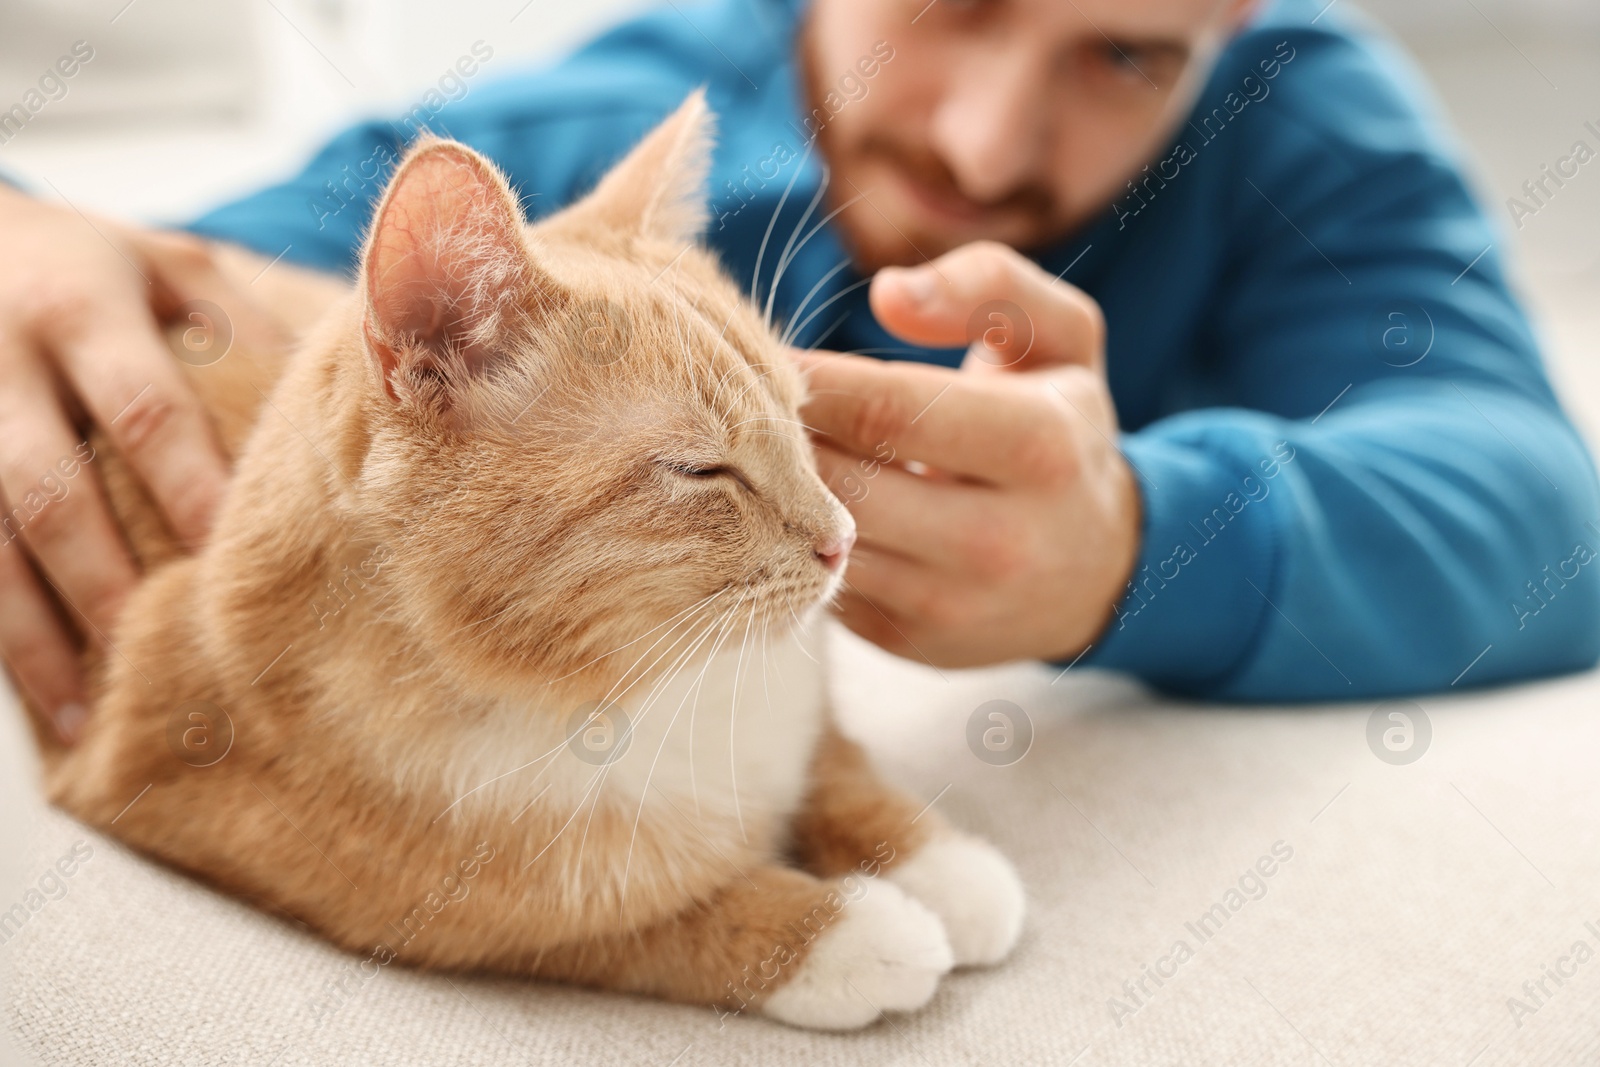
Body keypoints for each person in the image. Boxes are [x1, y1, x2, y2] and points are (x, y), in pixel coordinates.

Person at [2, 0, 1597, 745]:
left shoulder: (1301, 113)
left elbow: (1548, 514)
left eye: (1128, 54)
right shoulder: (633, 120)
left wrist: (1133, 541)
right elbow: (188, 282)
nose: (986, 145)